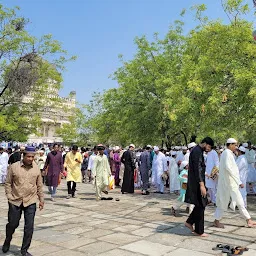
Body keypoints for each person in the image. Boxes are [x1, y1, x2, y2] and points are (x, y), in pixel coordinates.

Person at [2, 146, 44, 255]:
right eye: (28, 156)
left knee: (29, 227)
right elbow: (7, 183)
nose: (30, 159)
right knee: (13, 224)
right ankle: (7, 240)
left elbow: (39, 185)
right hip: (15, 200)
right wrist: (9, 196)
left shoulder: (36, 169)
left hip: (30, 201)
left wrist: (41, 199)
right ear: (23, 156)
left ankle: (24, 250)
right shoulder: (14, 167)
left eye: (32, 157)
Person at [213, 138, 256, 228]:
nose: (236, 147)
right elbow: (230, 169)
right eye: (235, 145)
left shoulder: (228, 154)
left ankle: (248, 220)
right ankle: (216, 220)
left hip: (232, 183)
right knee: (223, 202)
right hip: (228, 183)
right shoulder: (227, 154)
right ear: (230, 144)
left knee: (239, 201)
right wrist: (239, 181)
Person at [185, 137, 214, 237]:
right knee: (201, 204)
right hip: (197, 183)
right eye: (208, 146)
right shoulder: (197, 151)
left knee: (201, 204)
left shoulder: (198, 151)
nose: (208, 149)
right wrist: (202, 185)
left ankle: (190, 222)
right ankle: (198, 230)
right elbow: (197, 168)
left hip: (198, 181)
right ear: (205, 143)